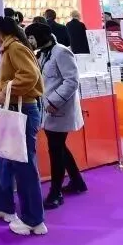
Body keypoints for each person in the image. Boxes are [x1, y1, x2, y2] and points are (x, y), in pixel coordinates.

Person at [0, 16, 46, 236]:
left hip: (22, 109)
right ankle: (1, 206)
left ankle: (33, 220)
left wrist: (5, 91)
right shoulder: (9, 49)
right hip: (15, 108)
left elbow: (29, 76)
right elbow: (3, 79)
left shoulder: (15, 48)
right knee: (3, 159)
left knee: (24, 165)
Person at [25, 21, 86, 209]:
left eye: (31, 37)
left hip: (59, 109)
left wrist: (54, 101)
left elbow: (72, 81)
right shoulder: (44, 53)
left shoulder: (61, 52)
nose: (30, 41)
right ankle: (77, 181)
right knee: (59, 147)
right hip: (49, 109)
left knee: (56, 150)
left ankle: (56, 192)